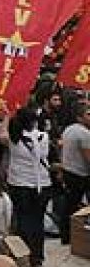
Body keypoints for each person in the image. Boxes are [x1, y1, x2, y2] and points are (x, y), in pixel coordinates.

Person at [2, 109, 50, 267]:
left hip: (19, 184)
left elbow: (1, 135)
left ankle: (23, 255)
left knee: (22, 221)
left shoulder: (14, 139)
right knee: (38, 220)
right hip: (42, 184)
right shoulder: (43, 137)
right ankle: (37, 256)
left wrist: (7, 117)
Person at [57, 101, 90, 247]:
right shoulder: (84, 134)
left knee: (69, 205)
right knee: (76, 206)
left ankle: (66, 235)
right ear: (79, 117)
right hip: (80, 174)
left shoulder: (68, 129)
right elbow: (88, 157)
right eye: (88, 114)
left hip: (68, 171)